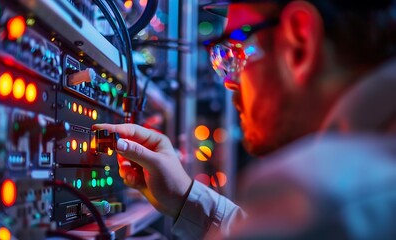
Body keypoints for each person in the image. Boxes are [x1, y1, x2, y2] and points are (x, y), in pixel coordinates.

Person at [93, 0, 396, 239]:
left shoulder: (321, 200)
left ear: (300, 43)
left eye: (236, 50)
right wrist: (185, 197)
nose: (229, 82)